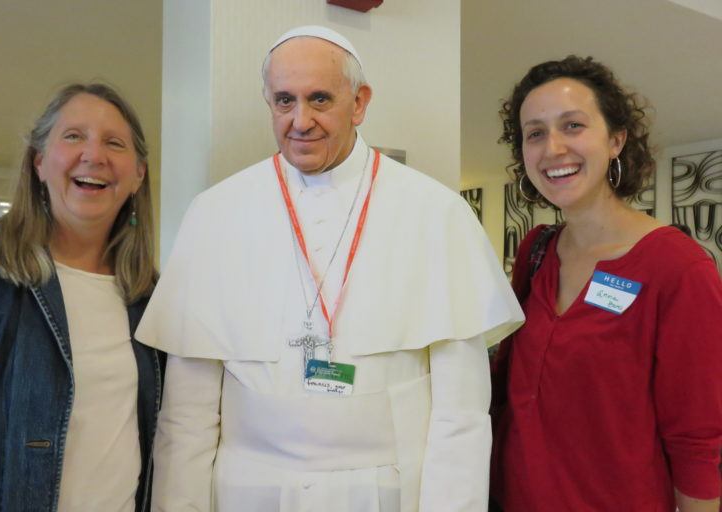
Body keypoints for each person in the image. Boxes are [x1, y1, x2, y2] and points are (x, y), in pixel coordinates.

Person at [137, 25, 523, 511]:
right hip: (244, 493)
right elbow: (186, 416)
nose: (300, 120)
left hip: (389, 492)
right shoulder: (215, 213)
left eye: (320, 99)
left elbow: (461, 416)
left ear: (359, 102)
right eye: (283, 100)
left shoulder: (435, 212)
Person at [490, 55, 722, 511]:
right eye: (534, 133)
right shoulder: (536, 252)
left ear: (616, 139)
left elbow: (697, 437)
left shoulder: (677, 268)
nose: (553, 147)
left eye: (573, 125)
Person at [0, 83, 164, 511]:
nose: (94, 155)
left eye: (114, 142)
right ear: (39, 162)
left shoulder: (150, 295)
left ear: (138, 173)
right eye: (73, 136)